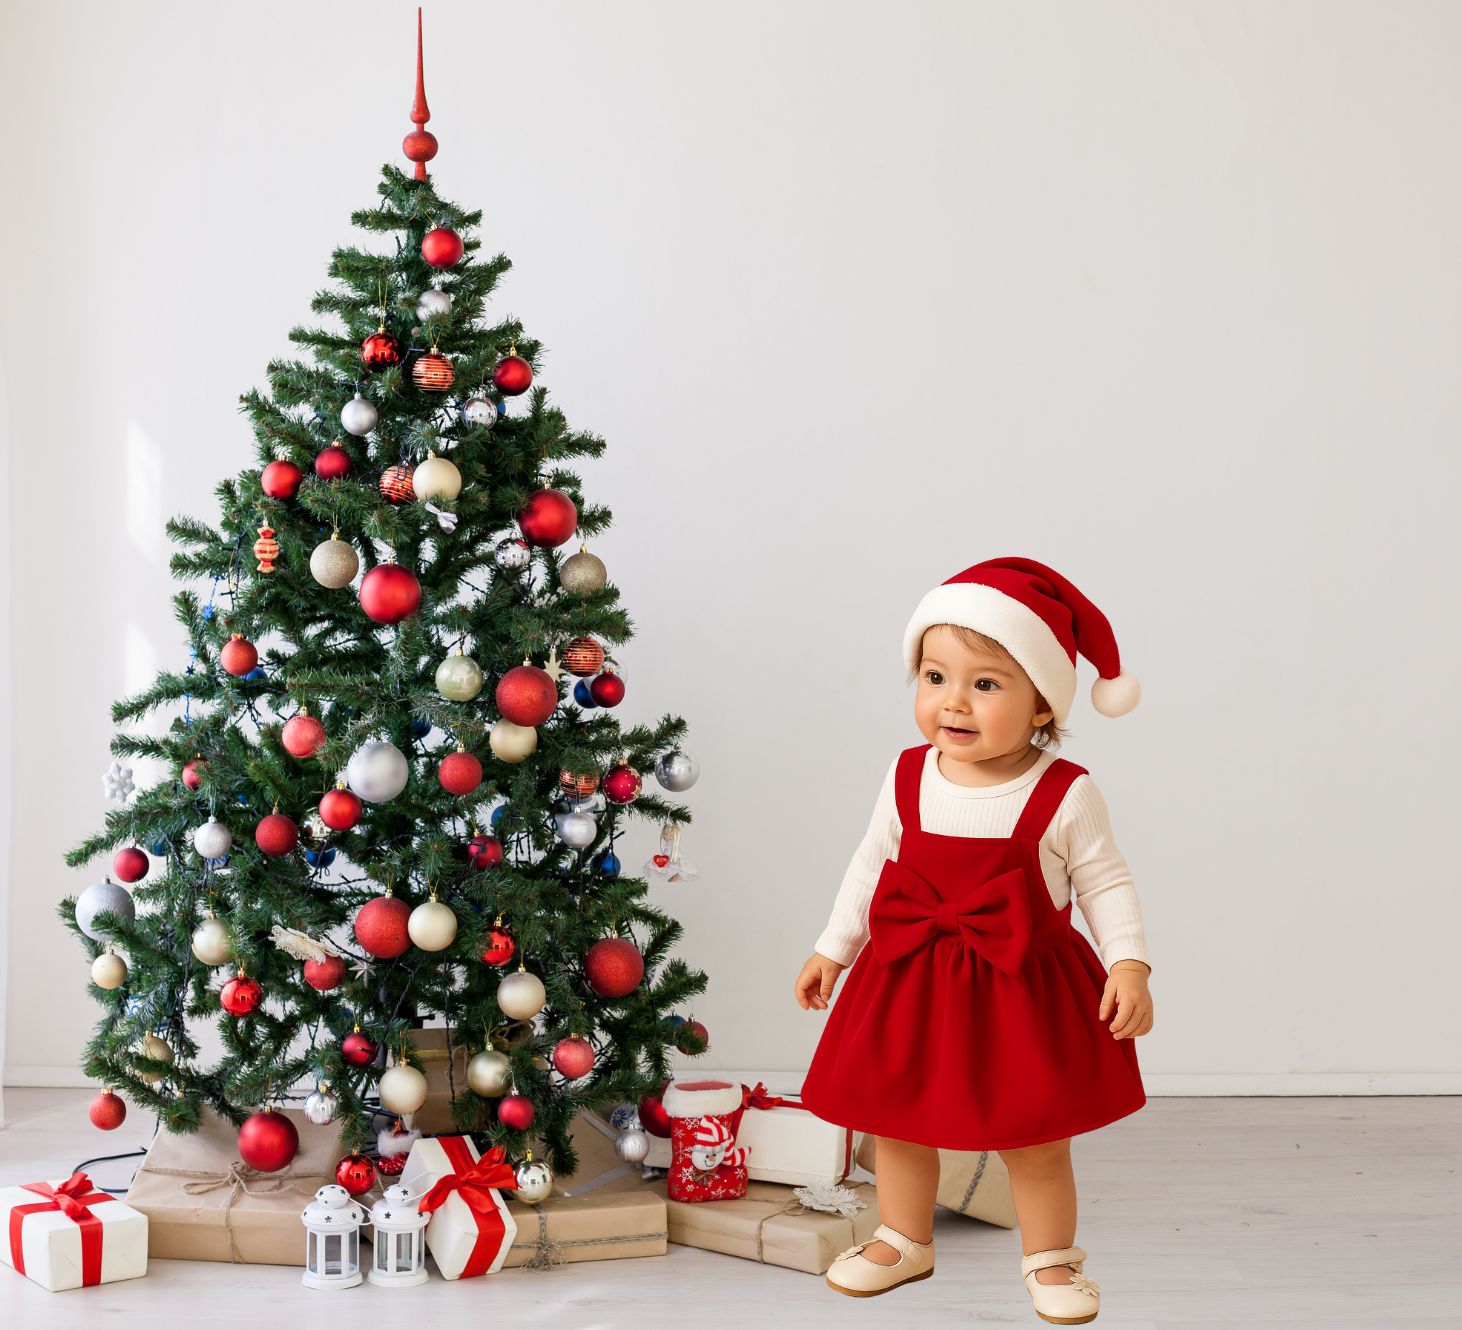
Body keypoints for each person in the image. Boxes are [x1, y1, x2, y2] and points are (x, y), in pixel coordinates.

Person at [794, 557, 1155, 1325]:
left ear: (1041, 708)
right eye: (934, 677)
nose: (953, 702)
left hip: (1019, 984)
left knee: (1035, 1134)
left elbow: (1106, 883)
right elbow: (869, 866)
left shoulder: (1065, 792)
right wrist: (833, 947)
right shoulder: (905, 776)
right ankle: (903, 1237)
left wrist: (1129, 962)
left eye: (986, 684)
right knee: (898, 1120)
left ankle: (1052, 1257)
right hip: (909, 977)